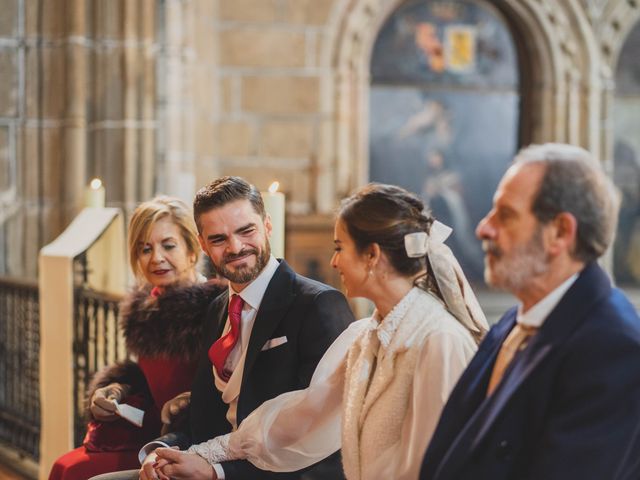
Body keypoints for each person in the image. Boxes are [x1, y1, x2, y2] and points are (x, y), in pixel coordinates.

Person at [149, 183, 489, 480]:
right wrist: (205, 457)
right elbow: (301, 417)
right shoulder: (364, 336)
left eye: (340, 247)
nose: (333, 262)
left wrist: (212, 468)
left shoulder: (438, 339)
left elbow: (444, 463)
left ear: (371, 255)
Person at [91, 176, 354, 480]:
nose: (236, 247)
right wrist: (161, 450)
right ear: (202, 244)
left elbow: (325, 441)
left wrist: (217, 471)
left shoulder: (317, 305)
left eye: (246, 231)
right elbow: (204, 421)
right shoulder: (217, 309)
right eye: (218, 239)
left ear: (267, 225)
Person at [420, 143, 640, 480]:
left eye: (505, 215)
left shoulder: (612, 346)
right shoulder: (514, 321)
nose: (484, 228)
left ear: (560, 233)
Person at [49, 196, 223, 480]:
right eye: (145, 249)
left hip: (193, 441)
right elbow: (147, 378)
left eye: (168, 245)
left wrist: (190, 401)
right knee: (66, 465)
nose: (156, 258)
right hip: (149, 430)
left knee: (76, 471)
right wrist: (116, 389)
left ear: (193, 250)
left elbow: (229, 387)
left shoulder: (216, 308)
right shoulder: (146, 309)